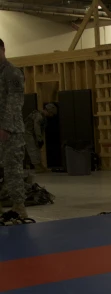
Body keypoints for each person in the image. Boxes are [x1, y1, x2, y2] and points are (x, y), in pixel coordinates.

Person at [0, 38, 31, 225]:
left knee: (12, 170)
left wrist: (6, 127)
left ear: (3, 49)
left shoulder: (12, 73)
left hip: (11, 131)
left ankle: (19, 207)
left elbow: (15, 101)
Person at [23, 102, 56, 176]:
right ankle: (37, 167)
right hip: (27, 133)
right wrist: (39, 139)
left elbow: (41, 130)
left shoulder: (43, 117)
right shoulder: (39, 116)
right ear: (48, 111)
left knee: (37, 149)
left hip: (32, 134)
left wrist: (40, 139)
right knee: (33, 149)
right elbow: (36, 128)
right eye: (51, 114)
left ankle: (40, 166)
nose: (51, 116)